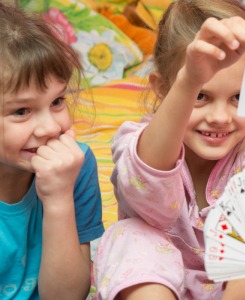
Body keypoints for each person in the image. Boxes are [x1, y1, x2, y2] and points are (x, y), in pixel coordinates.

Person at [94, 0, 245, 299]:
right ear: (162, 89)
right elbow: (147, 193)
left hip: (241, 287)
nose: (220, 117)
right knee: (129, 235)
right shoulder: (138, 140)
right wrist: (189, 80)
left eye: (238, 97)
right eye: (201, 96)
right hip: (163, 282)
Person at [0, 3, 104, 299]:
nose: (49, 127)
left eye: (57, 102)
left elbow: (67, 296)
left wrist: (59, 199)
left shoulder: (76, 165)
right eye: (21, 111)